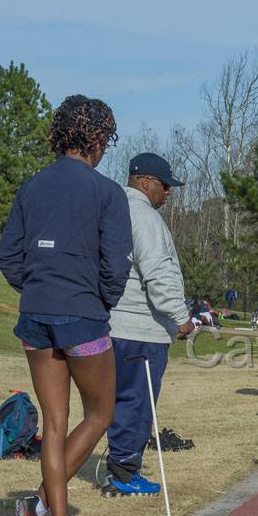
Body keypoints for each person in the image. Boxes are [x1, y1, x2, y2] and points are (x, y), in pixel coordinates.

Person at [0, 94, 131, 516]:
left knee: (54, 424)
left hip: (34, 314)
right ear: (97, 141)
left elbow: (8, 258)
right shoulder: (107, 192)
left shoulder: (31, 187)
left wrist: (37, 286)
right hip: (83, 316)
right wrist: (98, 301)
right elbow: (116, 267)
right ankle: (42, 510)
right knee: (99, 415)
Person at [101, 152, 193, 497]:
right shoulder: (146, 217)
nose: (168, 192)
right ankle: (124, 473)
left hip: (110, 326)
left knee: (109, 403)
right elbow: (158, 272)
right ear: (145, 183)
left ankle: (117, 466)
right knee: (137, 402)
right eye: (165, 185)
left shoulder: (110, 210)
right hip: (141, 329)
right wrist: (181, 318)